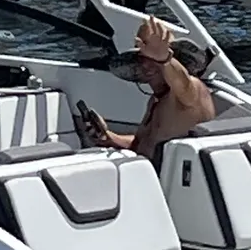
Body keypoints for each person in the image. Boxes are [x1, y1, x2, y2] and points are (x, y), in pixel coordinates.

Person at [80, 16, 213, 161]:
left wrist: (165, 60)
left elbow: (184, 84)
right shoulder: (155, 100)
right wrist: (108, 137)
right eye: (142, 59)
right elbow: (141, 145)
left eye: (154, 58)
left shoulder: (192, 90)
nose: (147, 65)